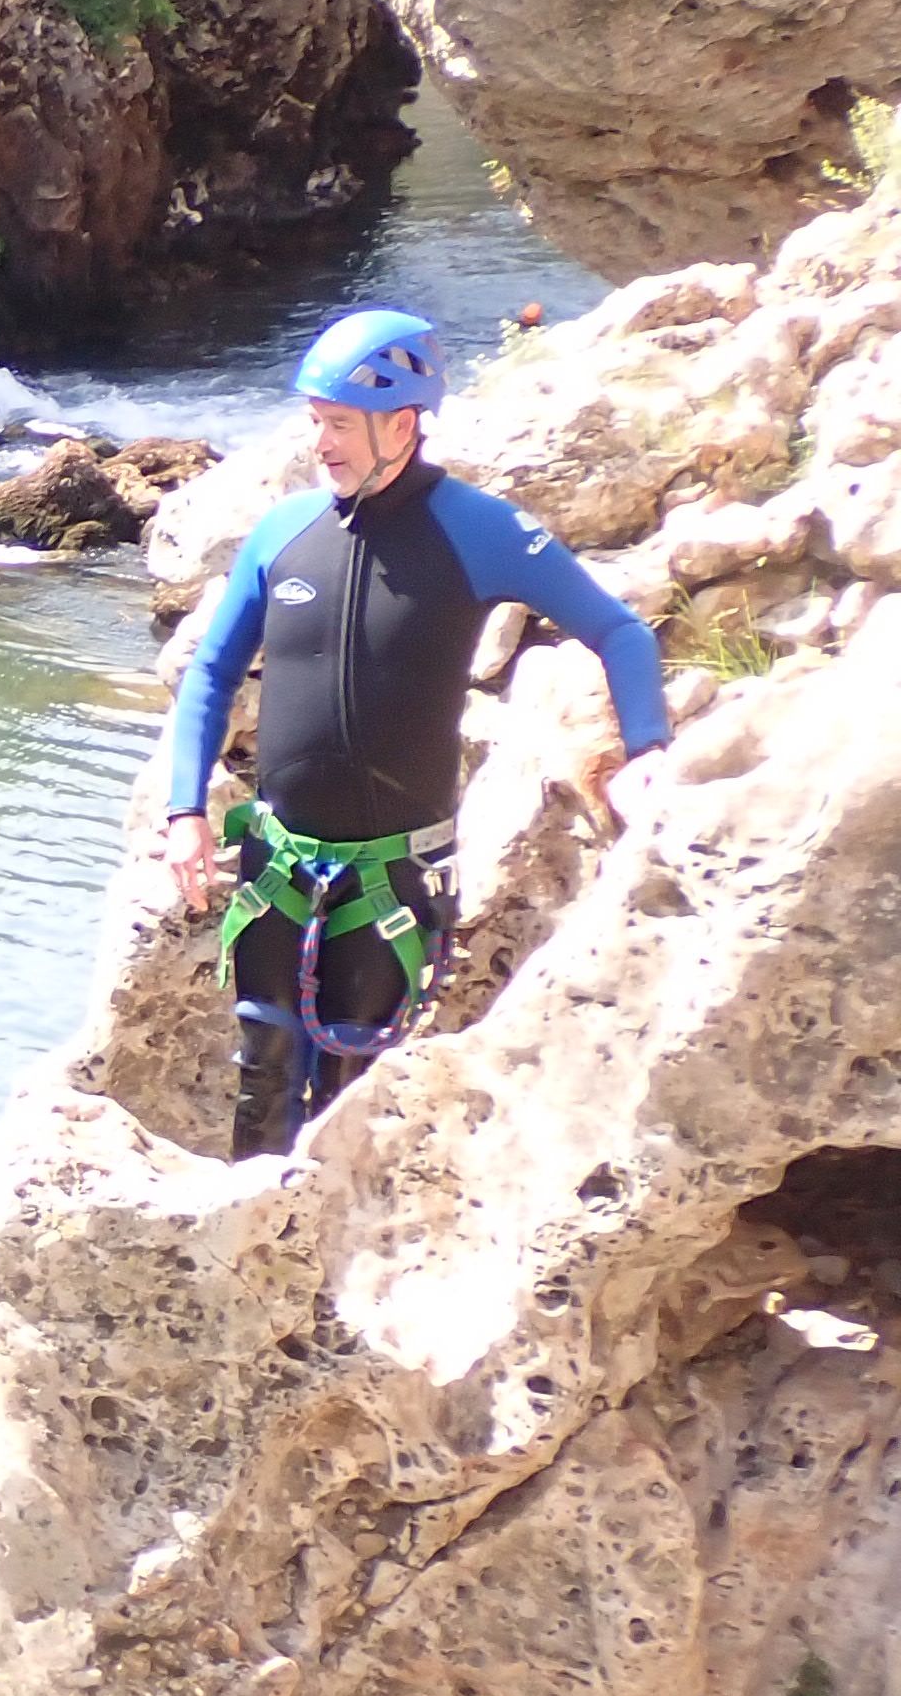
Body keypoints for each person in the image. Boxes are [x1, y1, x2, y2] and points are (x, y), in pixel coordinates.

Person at [161, 308, 674, 1159]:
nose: (320, 445)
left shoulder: (480, 531)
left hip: (390, 875)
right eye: (315, 422)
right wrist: (186, 810)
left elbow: (621, 631)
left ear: (403, 424)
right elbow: (212, 675)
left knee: (351, 1091)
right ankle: (260, 1247)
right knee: (263, 1066)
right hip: (278, 866)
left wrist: (648, 750)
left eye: (338, 426)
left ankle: (331, 1275)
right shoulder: (283, 534)